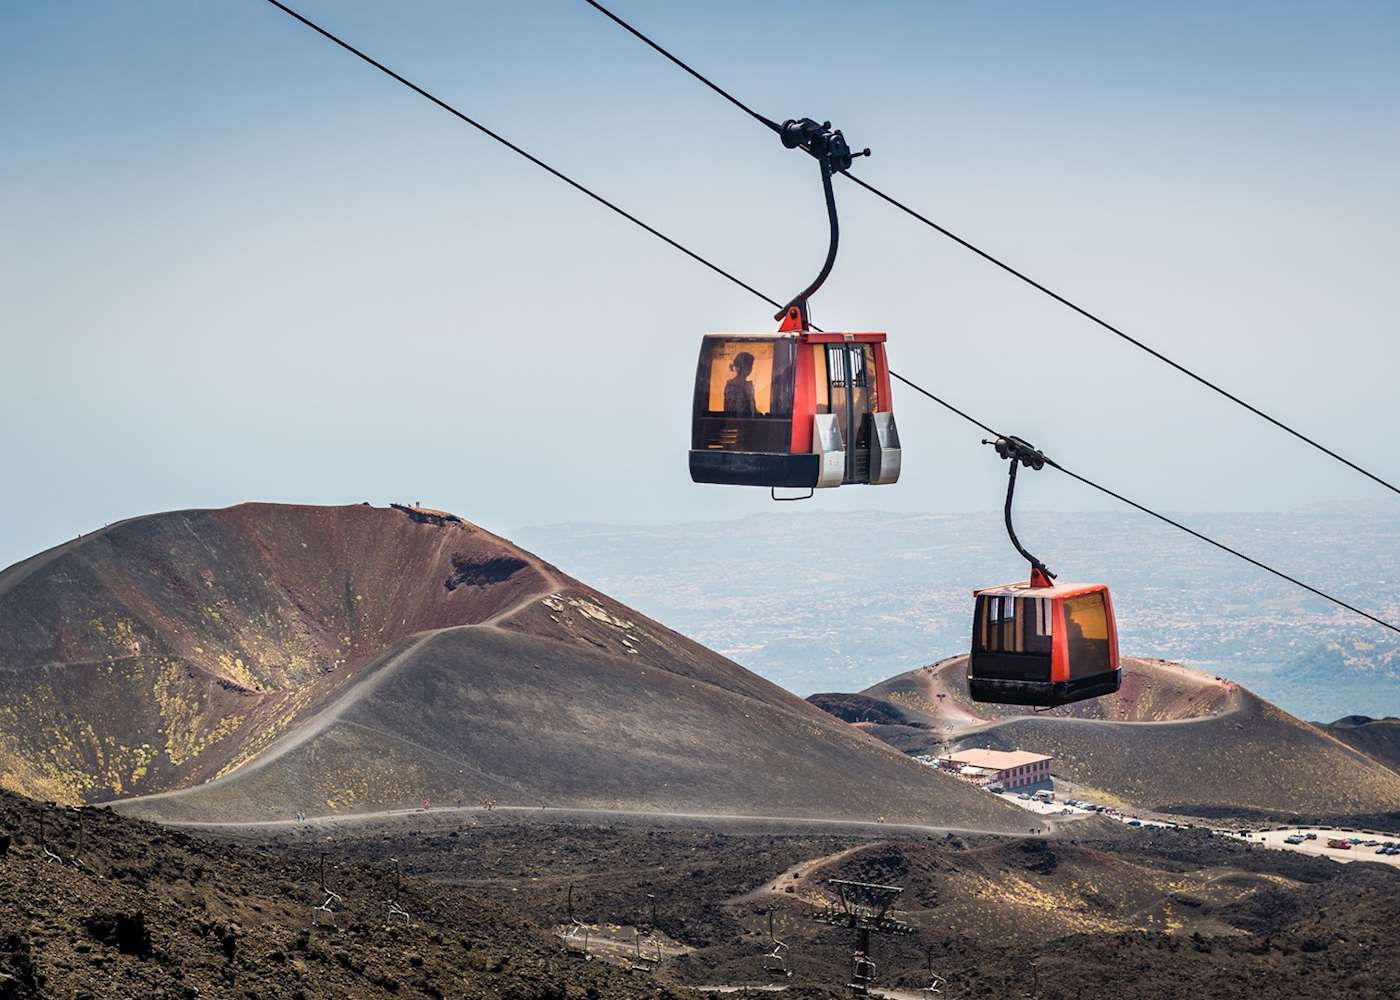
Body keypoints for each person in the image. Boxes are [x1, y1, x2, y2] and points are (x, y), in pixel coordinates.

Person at [723, 351, 758, 418]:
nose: (751, 369)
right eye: (750, 365)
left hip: (737, 423)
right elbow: (752, 410)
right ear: (744, 366)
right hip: (742, 423)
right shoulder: (746, 386)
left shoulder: (729, 384)